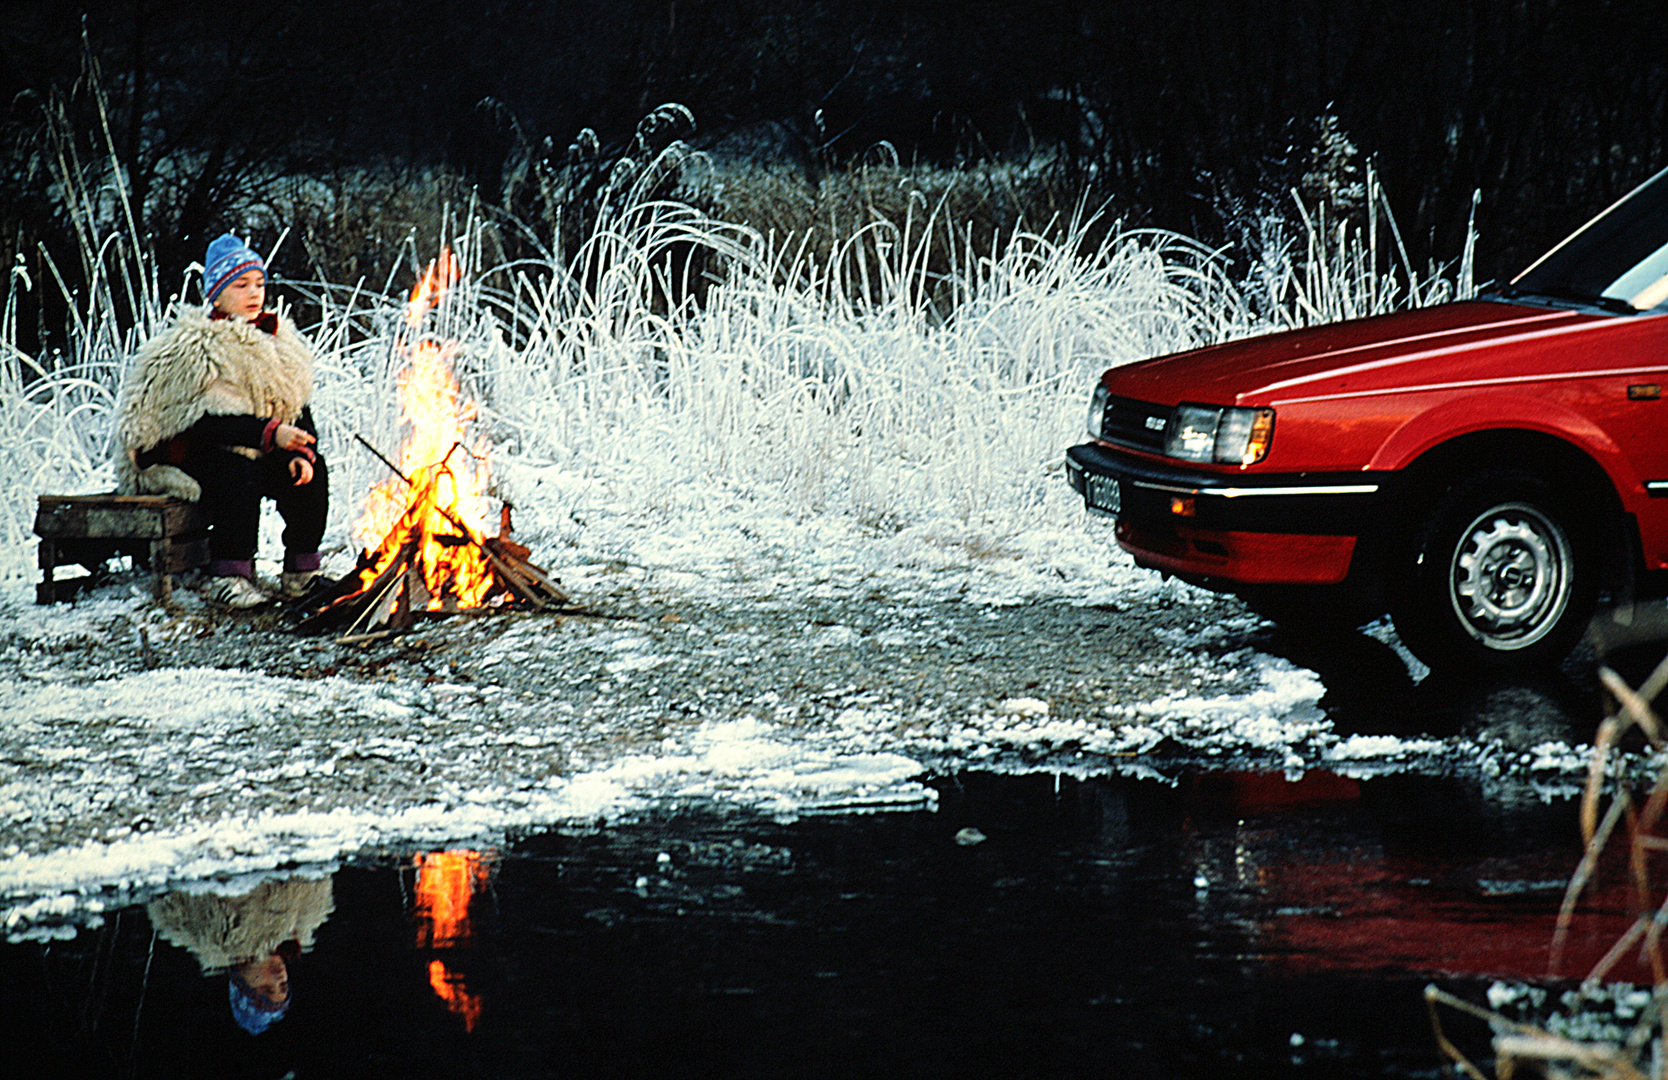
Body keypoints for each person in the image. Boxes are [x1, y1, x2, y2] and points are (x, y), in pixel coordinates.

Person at [114, 233, 329, 607]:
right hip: (186, 453)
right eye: (241, 284)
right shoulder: (197, 345)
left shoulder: (278, 340)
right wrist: (271, 434)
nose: (254, 293)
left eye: (259, 284)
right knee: (235, 471)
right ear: (216, 293)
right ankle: (230, 576)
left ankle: (301, 572)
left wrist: (298, 447)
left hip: (255, 444)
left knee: (312, 471)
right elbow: (202, 422)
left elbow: (296, 407)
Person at [145, 873, 335, 1036]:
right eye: (283, 985)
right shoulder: (306, 920)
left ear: (241, 984)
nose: (279, 977)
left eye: (267, 988)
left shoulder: (211, 929)